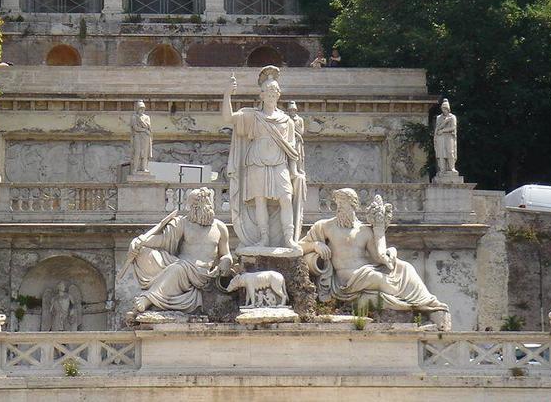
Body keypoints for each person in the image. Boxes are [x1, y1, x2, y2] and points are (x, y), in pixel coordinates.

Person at [300, 189, 451, 330]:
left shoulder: (365, 231)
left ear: (354, 204)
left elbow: (378, 257)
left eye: (342, 203)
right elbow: (299, 247)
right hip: (345, 280)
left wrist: (381, 235)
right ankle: (417, 304)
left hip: (366, 271)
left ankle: (430, 305)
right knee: (378, 278)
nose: (338, 207)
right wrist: (315, 245)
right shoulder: (325, 226)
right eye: (337, 203)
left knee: (406, 267)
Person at [223, 67, 304, 250]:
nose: (271, 94)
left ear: (279, 95)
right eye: (267, 91)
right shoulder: (253, 116)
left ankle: (289, 239)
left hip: (279, 162)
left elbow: (291, 150)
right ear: (261, 95)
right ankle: (264, 238)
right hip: (256, 161)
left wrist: (294, 171)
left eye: (274, 91)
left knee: (286, 198)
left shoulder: (287, 121)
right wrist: (228, 94)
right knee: (260, 201)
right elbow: (228, 118)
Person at [127, 187, 233, 313]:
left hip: (201, 273)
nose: (190, 210)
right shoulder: (183, 223)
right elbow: (163, 240)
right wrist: (141, 242)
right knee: (145, 253)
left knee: (177, 268)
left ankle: (148, 298)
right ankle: (162, 290)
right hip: (180, 263)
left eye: (193, 207)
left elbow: (226, 254)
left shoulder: (220, 227)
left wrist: (226, 261)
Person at [433, 99, 458, 177]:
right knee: (441, 153)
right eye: (443, 108)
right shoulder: (439, 117)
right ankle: (442, 169)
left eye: (445, 108)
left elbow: (453, 128)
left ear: (448, 109)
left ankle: (451, 168)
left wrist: (443, 130)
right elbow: (438, 128)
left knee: (450, 152)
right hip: (440, 137)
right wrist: (444, 123)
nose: (444, 110)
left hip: (449, 136)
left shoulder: (452, 117)